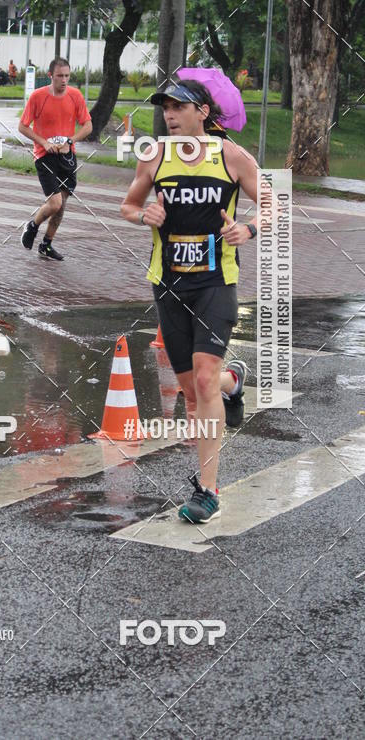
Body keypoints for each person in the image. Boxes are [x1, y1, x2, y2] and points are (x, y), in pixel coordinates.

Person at [121, 79, 261, 524]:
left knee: (202, 379)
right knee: (194, 389)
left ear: (203, 111)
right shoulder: (155, 157)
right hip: (168, 282)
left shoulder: (233, 157)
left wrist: (249, 228)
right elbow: (127, 205)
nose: (169, 114)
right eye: (164, 107)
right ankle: (232, 382)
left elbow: (274, 201)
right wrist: (145, 214)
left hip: (216, 282)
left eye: (178, 106)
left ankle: (208, 490)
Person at [19, 56, 92, 261]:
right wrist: (43, 142)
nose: (64, 80)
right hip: (44, 156)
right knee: (54, 203)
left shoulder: (75, 96)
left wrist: (71, 141)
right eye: (60, 76)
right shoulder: (37, 97)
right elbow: (22, 127)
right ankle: (32, 226)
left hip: (67, 157)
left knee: (62, 206)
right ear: (51, 76)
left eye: (67, 76)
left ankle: (46, 245)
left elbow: (88, 126)